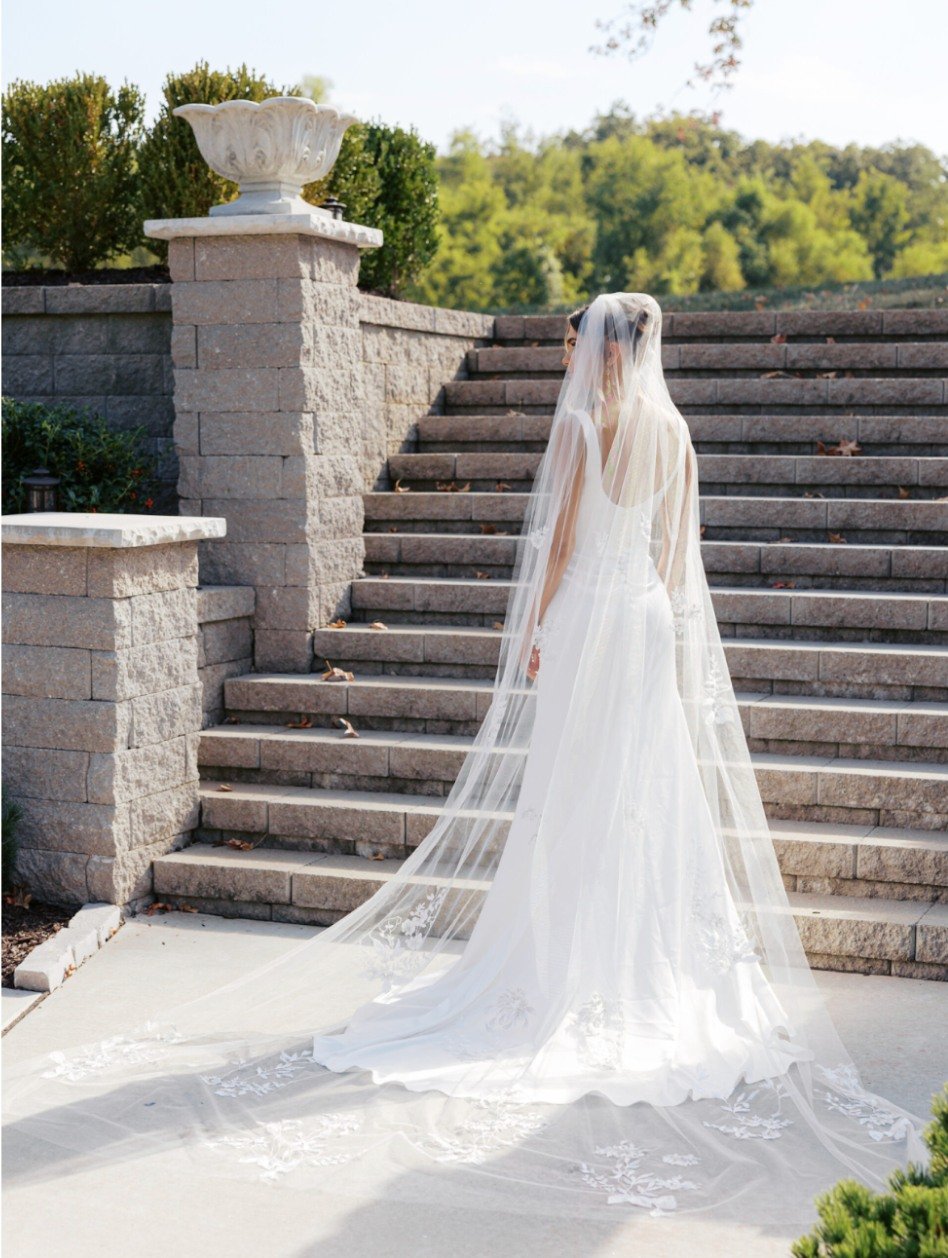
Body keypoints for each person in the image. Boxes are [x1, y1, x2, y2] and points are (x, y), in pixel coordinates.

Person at [3, 293, 925, 1226]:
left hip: (589, 619)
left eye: (573, 344)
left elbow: (558, 543)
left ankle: (558, 969)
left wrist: (531, 631)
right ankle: (642, 969)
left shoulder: (583, 424)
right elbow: (680, 560)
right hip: (645, 619)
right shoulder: (675, 436)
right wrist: (669, 634)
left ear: (600, 348)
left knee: (567, 792)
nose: (566, 358)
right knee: (642, 793)